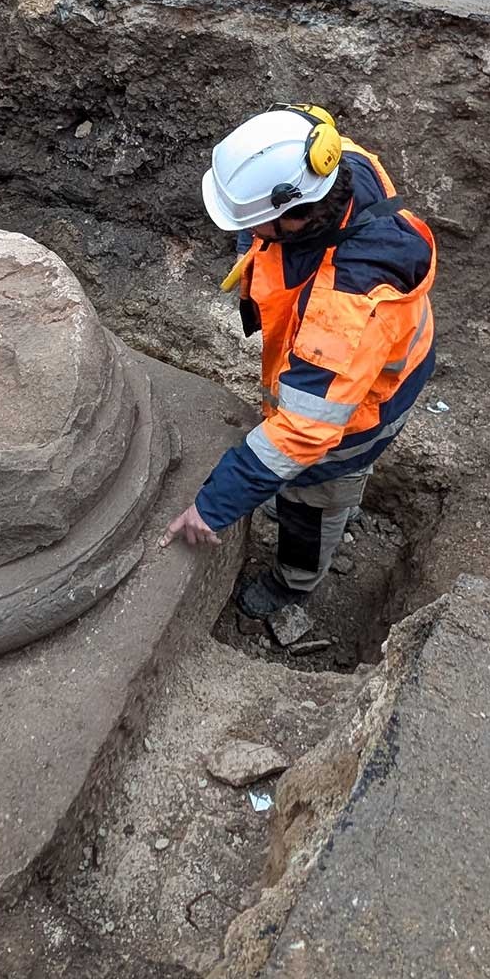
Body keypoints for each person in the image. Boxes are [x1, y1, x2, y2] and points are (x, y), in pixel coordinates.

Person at [160, 104, 436, 618]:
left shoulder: (344, 306)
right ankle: (329, 505)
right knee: (305, 480)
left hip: (356, 418)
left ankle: (294, 581)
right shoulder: (330, 163)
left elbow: (305, 433)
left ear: (295, 216)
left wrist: (212, 507)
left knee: (312, 501)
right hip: (370, 367)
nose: (247, 233)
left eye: (254, 223)